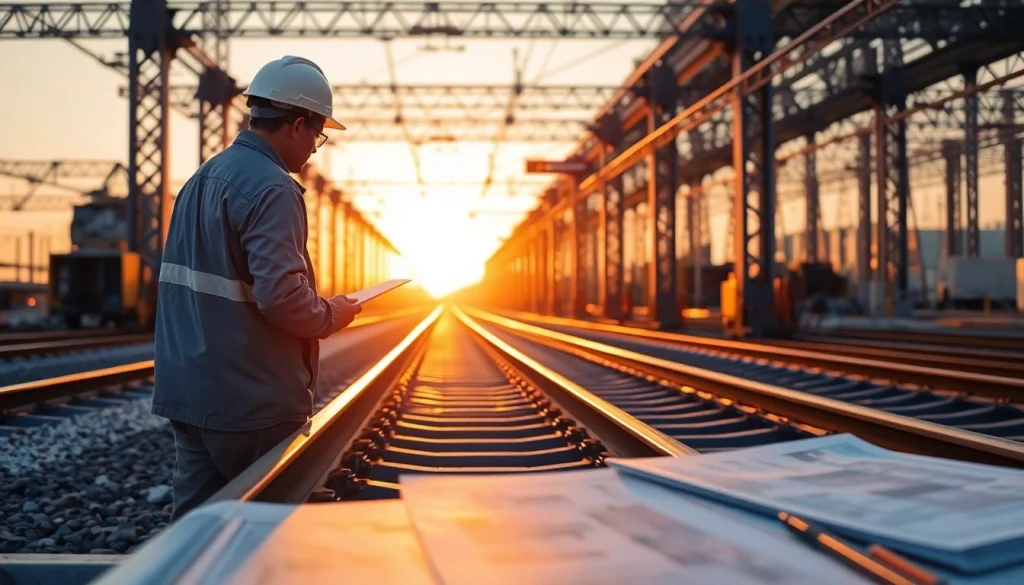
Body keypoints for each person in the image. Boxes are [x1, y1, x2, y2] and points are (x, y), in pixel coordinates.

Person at [152, 55, 362, 520]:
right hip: (249, 401)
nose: (315, 149)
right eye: (318, 135)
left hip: (189, 393)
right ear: (298, 125)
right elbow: (283, 299)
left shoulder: (202, 179)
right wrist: (333, 313)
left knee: (196, 531)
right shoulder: (273, 188)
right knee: (270, 528)